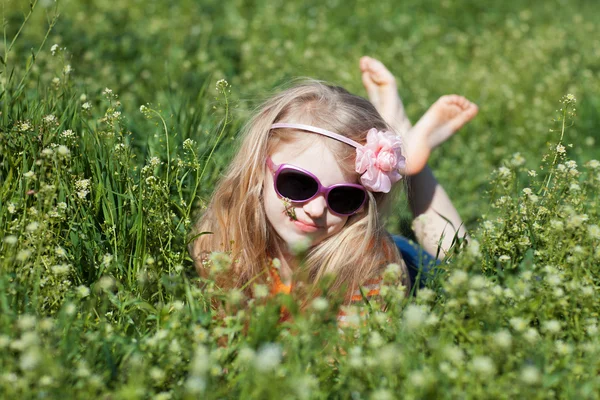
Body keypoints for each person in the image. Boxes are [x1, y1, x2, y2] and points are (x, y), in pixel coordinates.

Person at [188, 56, 478, 312]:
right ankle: (398, 143)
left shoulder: (370, 267)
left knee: (467, 277)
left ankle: (410, 161)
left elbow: (341, 358)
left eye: (343, 198)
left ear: (365, 201)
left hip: (396, 259)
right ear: (257, 169)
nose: (316, 209)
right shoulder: (224, 237)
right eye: (298, 184)